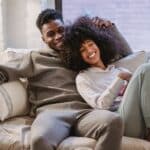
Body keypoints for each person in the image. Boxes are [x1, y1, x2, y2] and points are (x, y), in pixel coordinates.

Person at [0, 9, 126, 150]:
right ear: (43, 38)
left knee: (113, 121)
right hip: (52, 114)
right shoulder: (34, 58)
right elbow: (5, 70)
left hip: (85, 112)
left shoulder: (81, 54)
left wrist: (111, 28)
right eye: (51, 34)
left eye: (61, 30)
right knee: (40, 139)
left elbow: (124, 55)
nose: (58, 36)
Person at [62, 19, 150, 140]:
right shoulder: (83, 78)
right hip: (121, 122)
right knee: (145, 69)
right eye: (82, 50)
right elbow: (101, 106)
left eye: (90, 44)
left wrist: (130, 81)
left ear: (98, 43)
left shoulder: (118, 70)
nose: (89, 50)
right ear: (77, 55)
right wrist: (119, 80)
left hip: (139, 118)